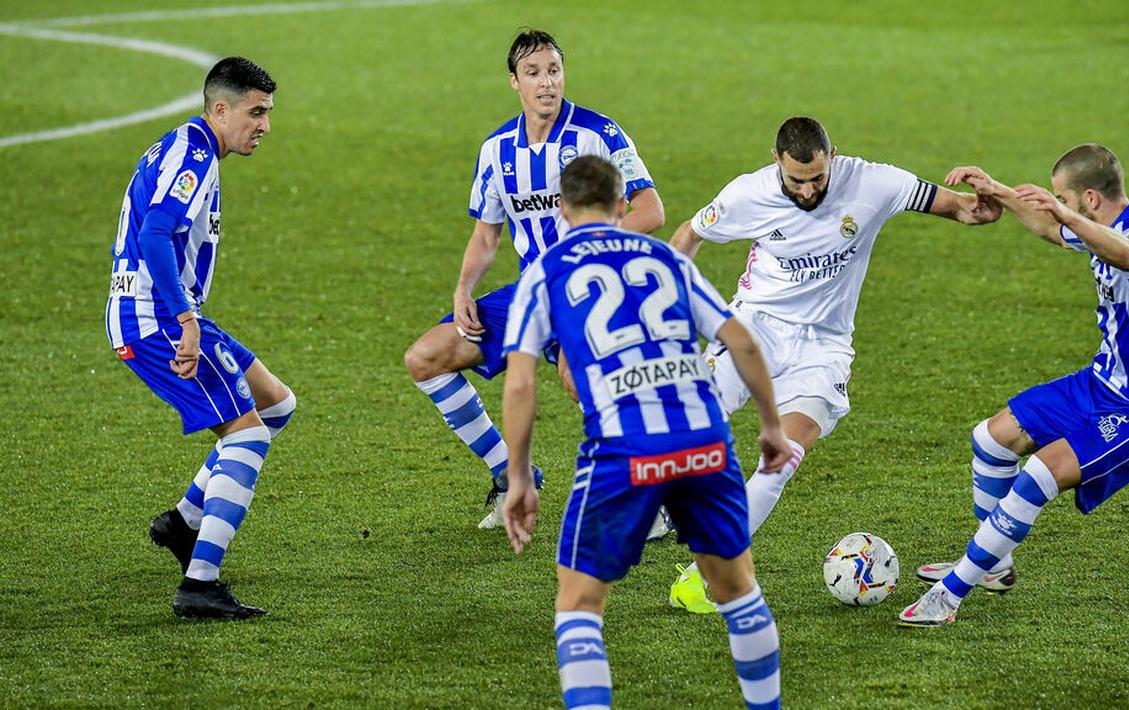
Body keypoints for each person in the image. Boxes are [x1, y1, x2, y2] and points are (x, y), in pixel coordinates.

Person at [666, 116, 1003, 612]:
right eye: (795, 181)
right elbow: (689, 235)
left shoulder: (874, 182)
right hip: (753, 330)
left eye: (816, 180)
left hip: (823, 351)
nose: (806, 191)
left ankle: (708, 574)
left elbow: (958, 208)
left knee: (779, 461)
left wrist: (983, 208)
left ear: (833, 157)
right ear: (776, 162)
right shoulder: (747, 194)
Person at [500, 155, 790, 710]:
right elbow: (744, 343)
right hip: (705, 440)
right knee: (737, 592)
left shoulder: (546, 270)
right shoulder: (663, 256)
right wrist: (771, 427)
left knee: (580, 606)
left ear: (562, 209)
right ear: (623, 205)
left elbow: (519, 386)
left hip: (624, 450)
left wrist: (518, 477)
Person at [899, 145, 1129, 627]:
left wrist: (1064, 214)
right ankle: (992, 565)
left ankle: (949, 594)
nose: (1056, 205)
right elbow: (1049, 228)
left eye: (1062, 197)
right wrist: (998, 190)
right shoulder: (1101, 226)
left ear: (1089, 198)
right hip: (1102, 383)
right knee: (992, 439)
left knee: (1040, 472)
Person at [403, 28, 664, 529]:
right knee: (427, 359)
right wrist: (463, 291)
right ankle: (510, 478)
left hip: (590, 287)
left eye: (554, 71)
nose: (547, 83)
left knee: (580, 382)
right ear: (514, 82)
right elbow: (486, 236)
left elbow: (651, 211)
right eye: (534, 73)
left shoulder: (598, 135)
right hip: (532, 293)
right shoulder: (497, 150)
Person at [106, 57, 293, 619]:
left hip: (166, 310)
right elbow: (156, 234)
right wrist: (186, 323)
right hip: (156, 317)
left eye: (267, 113)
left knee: (276, 404)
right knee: (249, 436)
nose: (264, 125)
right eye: (255, 112)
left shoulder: (195, 150)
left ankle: (186, 522)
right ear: (221, 109)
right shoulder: (192, 154)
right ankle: (199, 586)